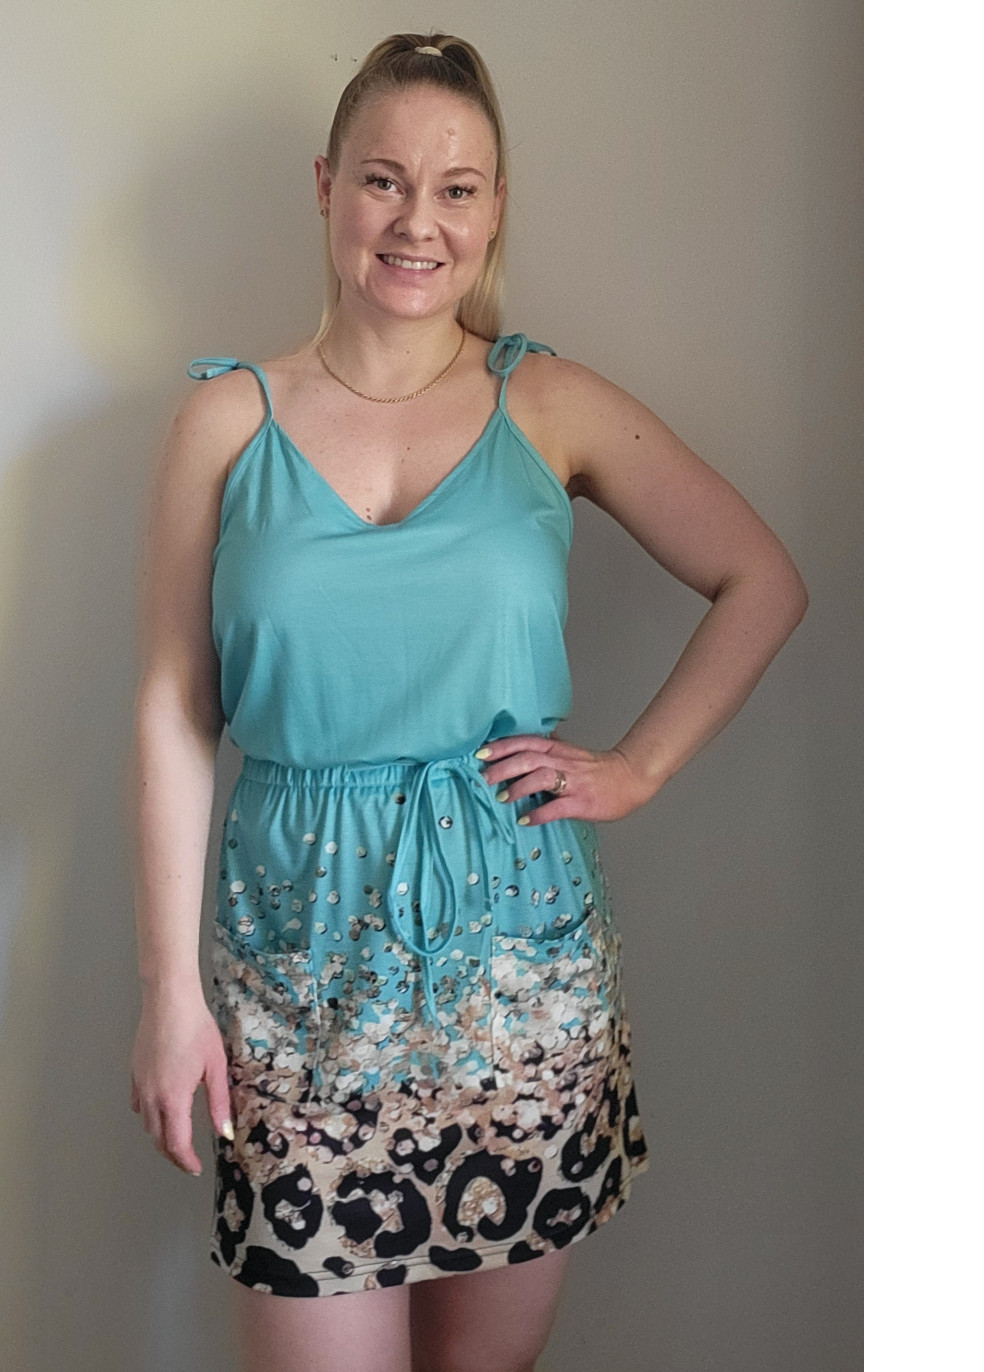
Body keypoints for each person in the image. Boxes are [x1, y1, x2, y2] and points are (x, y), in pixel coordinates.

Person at [128, 30, 808, 1372]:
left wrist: (640, 766)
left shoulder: (546, 402)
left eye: (457, 188)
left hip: (522, 983)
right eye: (384, 180)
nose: (416, 221)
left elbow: (759, 579)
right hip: (296, 979)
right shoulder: (226, 422)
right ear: (328, 186)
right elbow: (171, 706)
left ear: (495, 209)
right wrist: (166, 990)